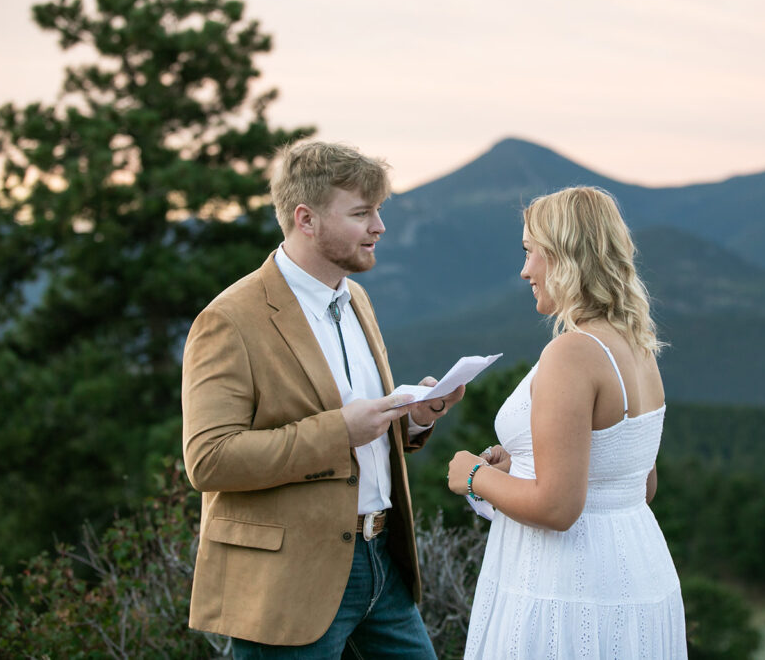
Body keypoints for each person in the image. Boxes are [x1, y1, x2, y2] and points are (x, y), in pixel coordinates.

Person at [182, 140, 463, 658]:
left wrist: (415, 419)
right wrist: (338, 432)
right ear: (306, 219)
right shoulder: (228, 320)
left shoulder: (356, 298)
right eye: (361, 213)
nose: (379, 227)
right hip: (288, 580)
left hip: (382, 562)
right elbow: (209, 460)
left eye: (377, 211)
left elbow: (366, 431)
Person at [448, 186, 688, 658]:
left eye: (529, 252)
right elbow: (637, 485)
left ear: (563, 255)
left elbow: (558, 509)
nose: (525, 270)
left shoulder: (572, 353)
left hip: (566, 584)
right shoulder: (638, 348)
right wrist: (520, 464)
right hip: (635, 571)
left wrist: (472, 476)